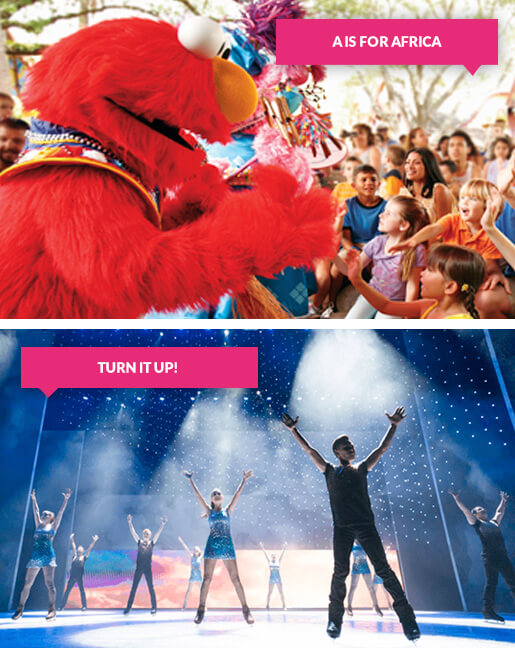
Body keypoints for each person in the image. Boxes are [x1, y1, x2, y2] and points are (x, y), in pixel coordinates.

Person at [281, 409, 420, 641]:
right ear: (337, 452)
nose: (352, 448)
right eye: (347, 446)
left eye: (352, 445)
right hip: (342, 528)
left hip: (366, 526)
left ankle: (409, 623)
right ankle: (334, 622)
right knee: (340, 572)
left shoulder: (362, 468)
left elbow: (381, 449)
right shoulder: (329, 471)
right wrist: (295, 431)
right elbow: (309, 450)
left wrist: (394, 426)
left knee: (384, 570)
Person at [393, 178, 512, 317]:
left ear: (488, 207)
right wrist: (414, 240)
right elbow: (434, 228)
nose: (464, 202)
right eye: (462, 198)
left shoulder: (491, 233)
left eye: (472, 199)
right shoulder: (453, 220)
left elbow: (489, 266)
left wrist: (495, 273)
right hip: (449, 278)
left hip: (469, 281)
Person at [335, 195, 428, 319]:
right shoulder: (377, 242)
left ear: (403, 225)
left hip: (396, 303)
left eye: (388, 213)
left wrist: (407, 313)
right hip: (372, 295)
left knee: (381, 331)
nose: (381, 215)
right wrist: (332, 255)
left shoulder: (416, 251)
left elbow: (412, 286)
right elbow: (348, 270)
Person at [184, 469, 254, 624]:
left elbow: (237, 495)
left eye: (219, 493)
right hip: (212, 547)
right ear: (211, 498)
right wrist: (191, 481)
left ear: (221, 498)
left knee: (235, 578)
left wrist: (244, 480)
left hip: (227, 546)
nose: (217, 494)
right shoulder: (209, 513)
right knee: (207, 579)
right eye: (214, 493)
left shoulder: (228, 511)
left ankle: (246, 610)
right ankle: (201, 609)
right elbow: (198, 497)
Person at [345, 243, 485, 319]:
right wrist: (357, 280)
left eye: (429, 270)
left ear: (450, 287)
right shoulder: (428, 305)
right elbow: (385, 306)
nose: (421, 274)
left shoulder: (462, 326)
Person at [321, 164, 386, 318]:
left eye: (372, 179)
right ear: (354, 185)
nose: (368, 183)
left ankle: (378, 305)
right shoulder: (348, 205)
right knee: (336, 269)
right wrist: (354, 251)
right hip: (353, 247)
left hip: (376, 248)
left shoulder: (385, 206)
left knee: (376, 267)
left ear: (378, 184)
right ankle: (331, 303)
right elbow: (345, 236)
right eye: (363, 180)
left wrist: (368, 253)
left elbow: (382, 236)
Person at [449, 490, 514, 623]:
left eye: (483, 508)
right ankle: (488, 611)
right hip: (490, 557)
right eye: (479, 509)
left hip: (502, 556)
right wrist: (457, 499)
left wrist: (503, 501)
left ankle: (489, 611)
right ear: (475, 514)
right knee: (492, 583)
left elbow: (499, 512)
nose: (483, 509)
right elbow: (465, 511)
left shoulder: (493, 523)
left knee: (513, 582)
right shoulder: (476, 523)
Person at [12, 488, 72, 621]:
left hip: (48, 557)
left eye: (47, 515)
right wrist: (34, 500)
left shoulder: (53, 527)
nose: (44, 515)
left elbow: (61, 512)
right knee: (27, 584)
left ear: (51, 518)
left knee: (49, 584)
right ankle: (19, 610)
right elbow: (36, 511)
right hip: (35, 557)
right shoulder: (38, 525)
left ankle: (52, 610)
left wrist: (65, 500)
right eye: (43, 514)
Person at [124, 514, 167, 615]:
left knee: (151, 588)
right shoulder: (139, 542)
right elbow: (133, 532)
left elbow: (158, 534)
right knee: (134, 587)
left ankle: (154, 608)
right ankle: (128, 608)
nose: (146, 535)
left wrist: (162, 524)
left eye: (148, 534)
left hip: (148, 569)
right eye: (145, 533)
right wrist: (129, 522)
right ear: (143, 535)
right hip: (139, 569)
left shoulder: (152, 543)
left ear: (150, 535)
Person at [401, 148, 455, 222]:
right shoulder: (404, 192)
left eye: (417, 163)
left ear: (428, 166)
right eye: (407, 162)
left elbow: (444, 228)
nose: (410, 167)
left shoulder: (439, 190)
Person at [59, 533, 99, 610]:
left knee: (82, 591)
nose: (79, 548)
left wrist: (94, 541)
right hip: (72, 577)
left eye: (81, 548)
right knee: (67, 591)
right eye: (79, 548)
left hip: (79, 577)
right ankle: (61, 606)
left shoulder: (84, 557)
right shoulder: (75, 556)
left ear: (83, 551)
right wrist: (72, 539)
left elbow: (90, 548)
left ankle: (84, 606)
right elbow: (74, 546)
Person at [346, 541, 383, 616]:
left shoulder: (365, 543)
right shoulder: (351, 545)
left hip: (365, 567)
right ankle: (349, 607)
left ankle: (376, 606)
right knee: (353, 587)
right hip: (356, 567)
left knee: (371, 588)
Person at [259, 541, 287, 610]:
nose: (274, 557)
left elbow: (282, 555)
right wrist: (262, 547)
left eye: (275, 556)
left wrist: (284, 548)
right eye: (273, 556)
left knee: (281, 592)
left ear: (276, 557)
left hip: (278, 579)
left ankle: (284, 605)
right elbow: (265, 555)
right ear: (271, 557)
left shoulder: (278, 562)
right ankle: (267, 605)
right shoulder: (270, 562)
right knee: (269, 592)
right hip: (272, 579)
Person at [178, 536, 203, 610]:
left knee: (202, 591)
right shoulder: (192, 557)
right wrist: (181, 542)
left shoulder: (200, 557)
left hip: (198, 575)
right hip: (192, 575)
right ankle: (184, 605)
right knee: (188, 591)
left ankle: (203, 606)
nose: (195, 552)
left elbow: (207, 550)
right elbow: (186, 549)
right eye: (194, 551)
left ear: (199, 552)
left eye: (197, 551)